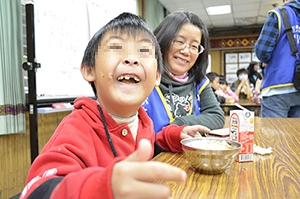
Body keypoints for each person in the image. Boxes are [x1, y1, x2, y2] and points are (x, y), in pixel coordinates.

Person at [20, 13, 211, 199]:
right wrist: (101, 188)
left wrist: (175, 136)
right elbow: (36, 190)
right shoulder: (77, 128)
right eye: (116, 48)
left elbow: (151, 145)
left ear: (157, 77)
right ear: (89, 69)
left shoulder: (143, 121)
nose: (131, 59)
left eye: (144, 51)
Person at [142, 10, 225, 133]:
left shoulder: (199, 80)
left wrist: (180, 124)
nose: (186, 51)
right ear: (163, 40)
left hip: (187, 151)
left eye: (194, 46)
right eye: (179, 42)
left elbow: (217, 117)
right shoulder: (144, 76)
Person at [255, 0, 300, 118]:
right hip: (299, 87)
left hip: (278, 86)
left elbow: (262, 52)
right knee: (297, 135)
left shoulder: (278, 14)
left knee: (274, 135)